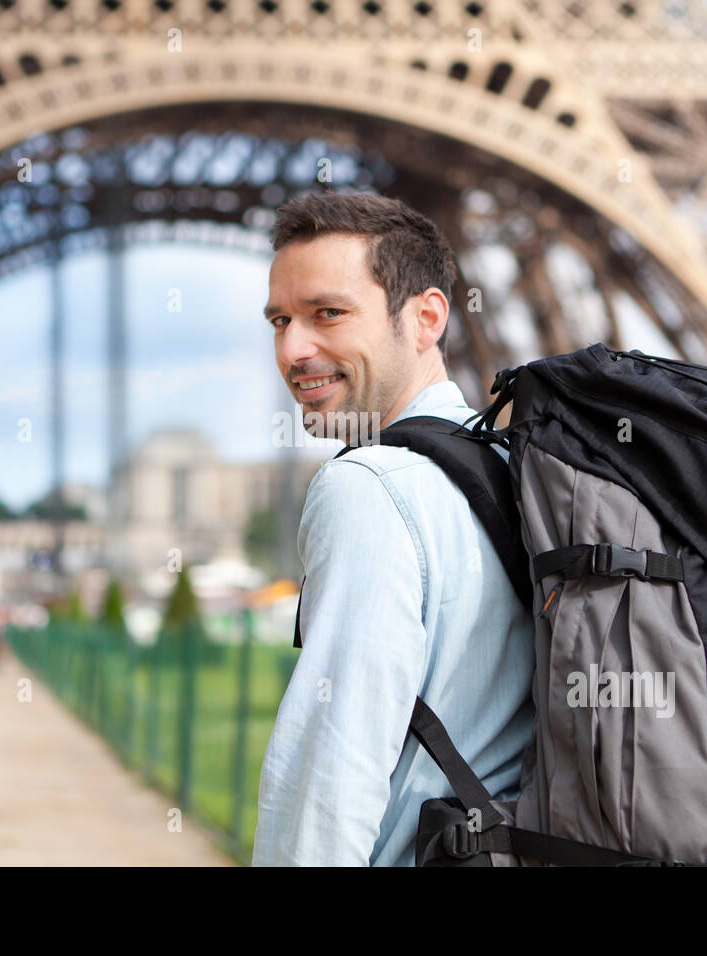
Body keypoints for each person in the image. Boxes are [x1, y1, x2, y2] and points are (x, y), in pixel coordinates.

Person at [252, 192, 535, 866]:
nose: (294, 349)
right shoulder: (513, 467)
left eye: (329, 314)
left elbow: (327, 784)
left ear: (426, 317)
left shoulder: (369, 488)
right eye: (280, 320)